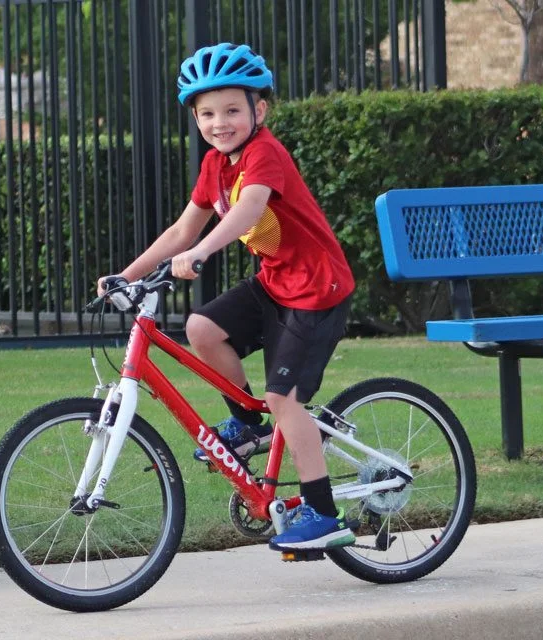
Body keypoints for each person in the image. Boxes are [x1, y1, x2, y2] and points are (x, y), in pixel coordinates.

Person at [97, 42, 355, 551]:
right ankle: (246, 426)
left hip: (316, 289)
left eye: (233, 110)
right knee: (201, 328)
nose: (221, 122)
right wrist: (124, 275)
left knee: (286, 399)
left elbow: (247, 211)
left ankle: (324, 514)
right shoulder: (216, 164)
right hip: (277, 282)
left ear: (259, 111)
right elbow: (180, 228)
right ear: (195, 118)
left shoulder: (265, 154)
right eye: (208, 113)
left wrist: (203, 251)